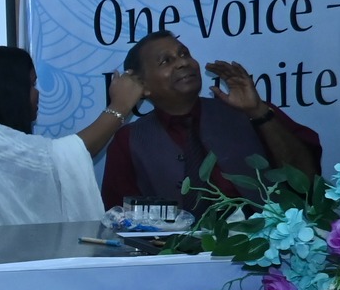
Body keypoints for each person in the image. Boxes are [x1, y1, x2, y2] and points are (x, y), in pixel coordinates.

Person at [0, 46, 142, 228]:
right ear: (8, 90)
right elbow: (62, 160)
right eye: (31, 84)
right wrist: (120, 107)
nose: (38, 94)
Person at [100, 31, 321, 211]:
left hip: (262, 254)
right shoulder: (128, 140)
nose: (182, 63)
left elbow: (306, 180)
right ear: (142, 86)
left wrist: (259, 112)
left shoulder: (248, 112)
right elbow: (119, 217)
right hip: (174, 259)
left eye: (184, 54)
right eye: (166, 61)